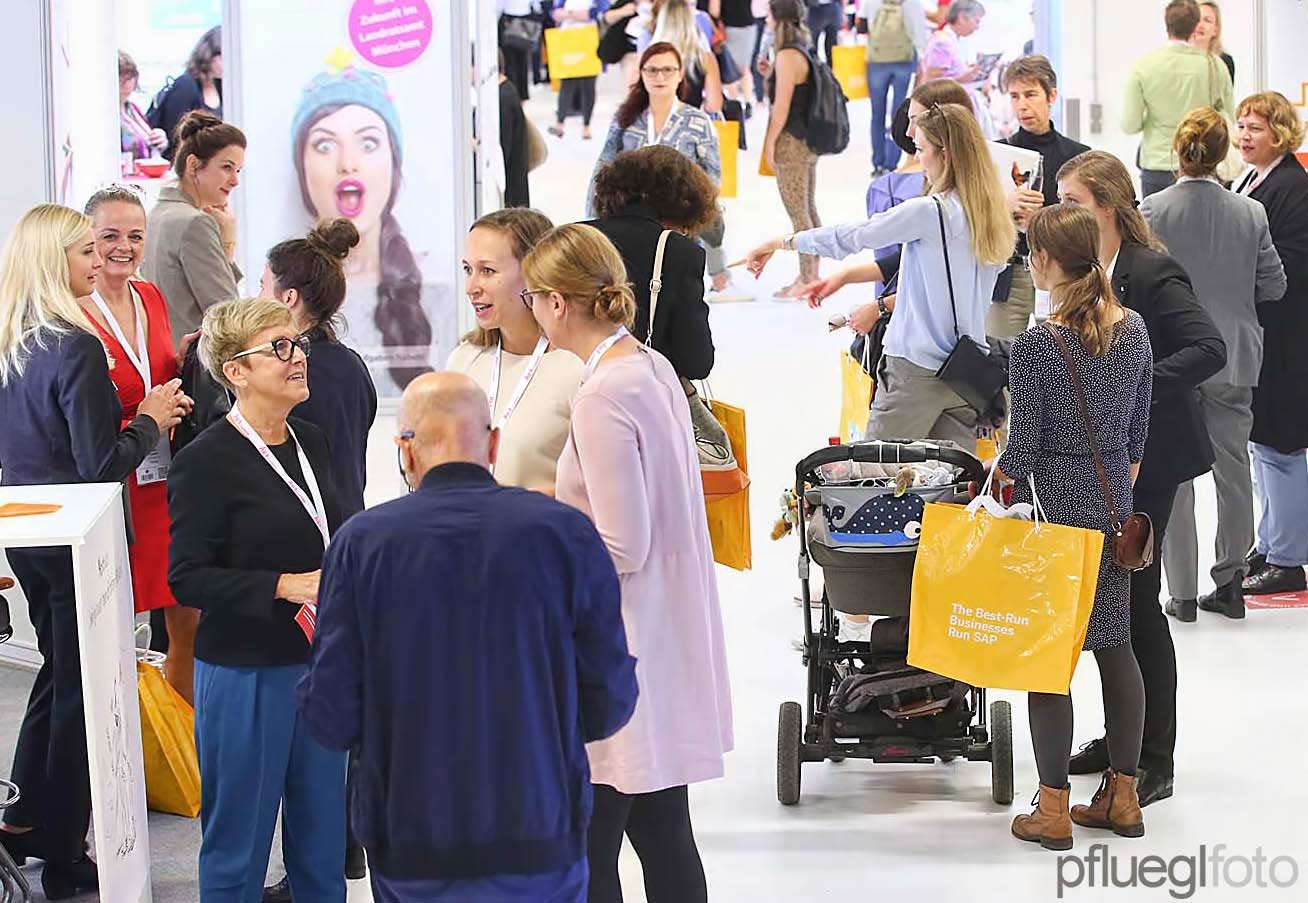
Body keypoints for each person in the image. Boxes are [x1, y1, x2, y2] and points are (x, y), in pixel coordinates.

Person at [297, 371, 637, 903]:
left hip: (413, 842)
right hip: (538, 833)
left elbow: (331, 712)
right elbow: (611, 700)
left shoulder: (361, 545)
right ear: (494, 443)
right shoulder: (564, 534)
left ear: (404, 451)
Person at [523, 224, 732, 903]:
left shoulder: (602, 393)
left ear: (557, 302)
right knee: (663, 826)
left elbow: (620, 543)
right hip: (662, 636)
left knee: (593, 838)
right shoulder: (651, 366)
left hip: (621, 645)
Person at [0, 204, 187, 900]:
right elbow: (97, 462)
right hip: (80, 539)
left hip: (31, 537)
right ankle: (65, 850)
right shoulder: (75, 346)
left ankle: (24, 819)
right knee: (83, 696)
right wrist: (147, 421)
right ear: (56, 260)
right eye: (85, 251)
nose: (98, 261)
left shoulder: (14, 339)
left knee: (59, 675)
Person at [1056, 150, 1227, 807]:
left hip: (1154, 460)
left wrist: (1135, 384)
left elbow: (1208, 347)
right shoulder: (1089, 271)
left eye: (1072, 200)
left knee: (1135, 606)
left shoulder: (1151, 271)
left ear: (1108, 205)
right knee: (1110, 605)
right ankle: (1121, 734)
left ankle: (1155, 758)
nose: (1060, 210)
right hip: (1110, 460)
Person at [168, 298, 346, 902]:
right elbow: (187, 578)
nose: (296, 357)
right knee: (238, 844)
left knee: (323, 840)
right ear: (236, 371)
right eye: (278, 347)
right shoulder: (205, 462)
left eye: (295, 344)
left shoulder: (313, 441)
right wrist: (282, 584)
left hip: (322, 665)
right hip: (246, 672)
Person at [999, 204, 1153, 850]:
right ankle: (1123, 796)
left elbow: (1020, 455)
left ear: (1043, 262)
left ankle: (1053, 808)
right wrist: (1114, 490)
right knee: (1116, 648)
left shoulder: (1036, 347)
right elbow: (1139, 431)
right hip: (1116, 503)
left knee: (1049, 659)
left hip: (1055, 510)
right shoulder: (1135, 330)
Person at [744, 102, 1015, 447]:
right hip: (967, 374)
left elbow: (853, 236)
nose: (920, 161)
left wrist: (782, 242)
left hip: (917, 371)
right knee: (952, 487)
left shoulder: (930, 212)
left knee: (874, 475)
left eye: (921, 150)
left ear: (944, 154)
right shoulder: (993, 217)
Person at [256, 220, 377, 899]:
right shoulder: (352, 366)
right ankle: (343, 847)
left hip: (308, 560)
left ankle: (319, 863)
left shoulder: (291, 374)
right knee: (343, 704)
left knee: (311, 714)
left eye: (266, 286)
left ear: (293, 299)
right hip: (348, 544)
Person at [1140, 110, 1287, 622]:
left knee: (1177, 471)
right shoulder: (1251, 212)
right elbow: (1274, 284)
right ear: (1223, 152)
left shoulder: (1153, 210)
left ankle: (1180, 592)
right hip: (1235, 355)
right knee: (1233, 470)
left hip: (1175, 358)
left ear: (1176, 152)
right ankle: (1230, 582)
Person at [79, 186, 200, 702]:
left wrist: (185, 363)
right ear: (87, 239)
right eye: (109, 236)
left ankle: (181, 742)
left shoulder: (149, 295)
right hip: (114, 475)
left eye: (134, 236)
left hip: (164, 475)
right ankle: (123, 748)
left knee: (185, 612)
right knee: (117, 621)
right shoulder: (73, 309)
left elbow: (158, 367)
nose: (123, 247)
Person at [292, 65, 454, 396]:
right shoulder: (284, 288)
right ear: (301, 166)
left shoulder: (439, 284)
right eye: (325, 146)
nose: (347, 163)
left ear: (394, 164)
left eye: (368, 143)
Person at [592, 42, 744, 301]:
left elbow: (713, 175)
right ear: (641, 74)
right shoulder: (626, 119)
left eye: (667, 70)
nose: (659, 77)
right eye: (651, 70)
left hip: (679, 221)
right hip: (632, 220)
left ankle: (720, 278)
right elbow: (603, 169)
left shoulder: (697, 121)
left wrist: (689, 208)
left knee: (677, 298)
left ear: (680, 74)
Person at [448, 209, 584, 491]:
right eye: (467, 269)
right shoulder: (464, 360)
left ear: (533, 273)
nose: (471, 287)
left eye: (487, 271)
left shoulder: (576, 369)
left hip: (543, 532)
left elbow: (599, 490)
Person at [1234, 92, 1308, 596]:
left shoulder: (1292, 188)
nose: (1244, 135)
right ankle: (1270, 541)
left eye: (1255, 128)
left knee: (1281, 445)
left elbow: (1290, 262)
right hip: (1262, 330)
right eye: (1240, 126)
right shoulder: (1252, 179)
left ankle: (1287, 557)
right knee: (1262, 445)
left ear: (1279, 133)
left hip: (1283, 332)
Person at [587, 145, 718, 380]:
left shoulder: (571, 238)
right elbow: (696, 362)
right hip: (636, 392)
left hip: (568, 388)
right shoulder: (677, 251)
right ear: (681, 202)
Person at [990, 55, 1090, 341]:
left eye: (1031, 94)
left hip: (1060, 271)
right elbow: (976, 214)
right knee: (999, 359)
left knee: (1065, 354)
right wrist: (1005, 208)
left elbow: (1088, 222)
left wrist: (1044, 219)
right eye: (1015, 96)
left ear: (1052, 96)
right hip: (1008, 272)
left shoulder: (1078, 157)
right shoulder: (996, 154)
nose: (1022, 105)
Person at [141, 110, 245, 345]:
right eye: (227, 168)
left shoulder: (155, 213)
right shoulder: (194, 223)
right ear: (193, 165)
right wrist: (228, 242)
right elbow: (228, 314)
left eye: (237, 170)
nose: (235, 180)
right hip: (196, 365)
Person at [1122, 0, 1233, 198]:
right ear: (1194, 24)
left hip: (1157, 162)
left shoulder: (1144, 66)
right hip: (1202, 162)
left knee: (1156, 225)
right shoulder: (1215, 66)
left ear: (1166, 23)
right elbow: (1228, 117)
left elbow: (1129, 124)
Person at [761, 0, 820, 297]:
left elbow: (781, 106)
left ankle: (807, 278)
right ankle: (812, 274)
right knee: (807, 208)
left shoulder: (786, 56)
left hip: (791, 142)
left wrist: (769, 143)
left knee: (798, 212)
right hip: (807, 140)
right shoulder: (801, 51)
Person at [858, 0, 929, 178]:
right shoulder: (912, 3)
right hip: (904, 60)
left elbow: (862, 26)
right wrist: (921, 60)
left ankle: (878, 164)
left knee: (877, 114)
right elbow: (919, 31)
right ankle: (892, 163)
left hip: (877, 60)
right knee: (900, 114)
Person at [148, 25, 224, 161]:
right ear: (209, 55)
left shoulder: (222, 86)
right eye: (223, 56)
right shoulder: (185, 86)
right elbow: (176, 137)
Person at [550, 0, 607, 140]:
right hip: (567, 42)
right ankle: (560, 123)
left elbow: (596, 13)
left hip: (588, 41)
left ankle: (586, 125)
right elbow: (555, 13)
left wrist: (568, 14)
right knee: (566, 84)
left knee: (588, 86)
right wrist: (577, 15)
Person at [119, 51, 167, 162]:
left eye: (130, 78)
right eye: (121, 78)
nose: (126, 85)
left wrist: (159, 139)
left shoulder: (132, 109)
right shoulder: (104, 116)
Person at [922, 0, 984, 82]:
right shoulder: (943, 43)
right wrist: (964, 79)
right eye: (977, 21)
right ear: (962, 17)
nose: (977, 27)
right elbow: (932, 83)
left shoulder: (953, 40)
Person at [499, 0, 541, 101]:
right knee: (522, 64)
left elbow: (498, 6)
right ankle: (521, 100)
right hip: (525, 21)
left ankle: (514, 98)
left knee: (510, 65)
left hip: (509, 21)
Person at [1191, 2, 1234, 82]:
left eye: (1207, 20)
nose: (1200, 25)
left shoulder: (1224, 61)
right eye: (1196, 19)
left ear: (1216, 30)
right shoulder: (1177, 59)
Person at [807, 0, 842, 67]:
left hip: (833, 7)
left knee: (832, 45)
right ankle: (814, 71)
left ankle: (831, 72)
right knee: (812, 44)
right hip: (815, 9)